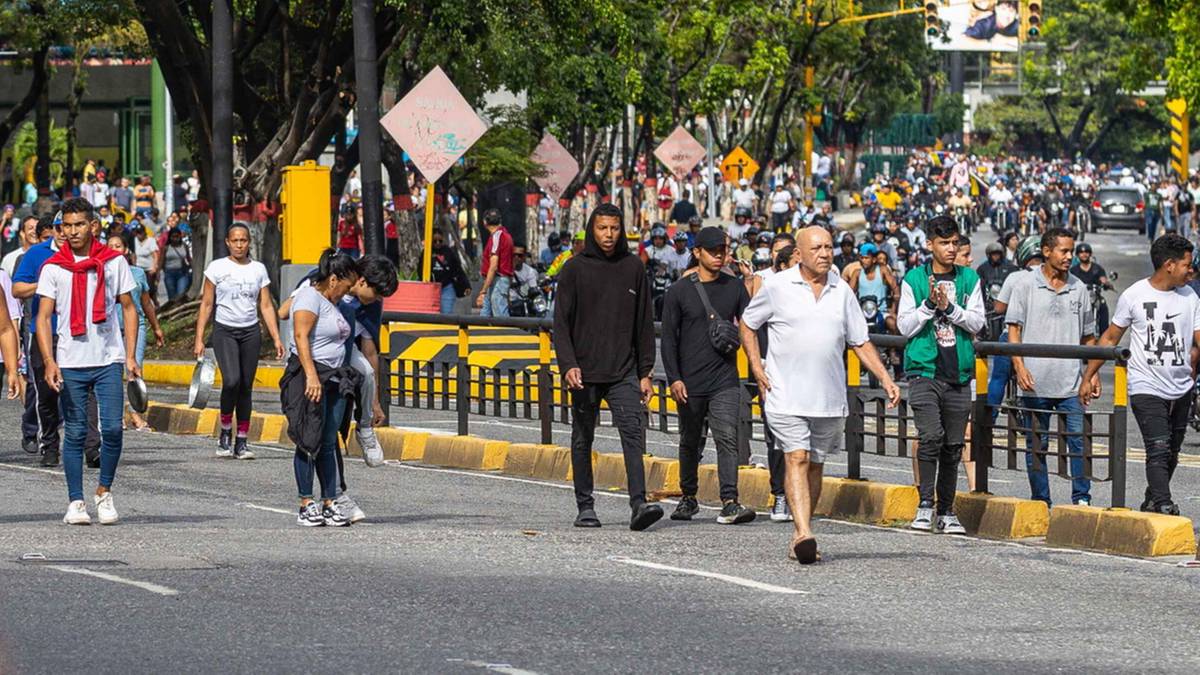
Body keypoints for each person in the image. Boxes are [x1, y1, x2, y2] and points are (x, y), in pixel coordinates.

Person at [741, 226, 900, 563]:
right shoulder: (776, 286)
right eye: (817, 248)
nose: (825, 254)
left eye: (829, 247)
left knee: (815, 464)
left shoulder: (842, 290)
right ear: (798, 253)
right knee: (795, 457)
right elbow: (748, 324)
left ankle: (803, 527)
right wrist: (757, 367)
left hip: (828, 397)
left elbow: (859, 340)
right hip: (784, 392)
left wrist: (886, 378)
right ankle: (802, 532)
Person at [553, 203, 663, 531]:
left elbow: (644, 323)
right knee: (582, 438)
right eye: (602, 228)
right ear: (592, 229)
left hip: (624, 371)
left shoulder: (633, 268)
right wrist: (568, 364)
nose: (609, 235)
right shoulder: (574, 269)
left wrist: (646, 372)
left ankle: (639, 504)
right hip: (585, 373)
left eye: (614, 229)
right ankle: (585, 506)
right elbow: (561, 324)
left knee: (633, 434)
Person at [34, 198, 140, 525]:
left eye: (79, 224)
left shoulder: (114, 262)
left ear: (93, 226)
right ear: (60, 229)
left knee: (112, 429)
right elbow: (43, 318)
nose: (73, 231)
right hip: (70, 360)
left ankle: (104, 492)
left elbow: (129, 308)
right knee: (77, 432)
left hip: (108, 358)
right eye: (67, 226)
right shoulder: (53, 268)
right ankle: (76, 501)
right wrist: (49, 361)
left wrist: (132, 356)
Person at [1081, 234, 1200, 516]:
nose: (1192, 270)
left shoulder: (1191, 296)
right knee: (1157, 446)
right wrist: (1088, 376)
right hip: (1145, 384)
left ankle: (1151, 497)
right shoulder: (1135, 295)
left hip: (1181, 384)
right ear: (1169, 265)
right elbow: (1110, 338)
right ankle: (1163, 504)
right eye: (1187, 264)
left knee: (1172, 451)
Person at [279, 254, 398, 523]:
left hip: (341, 367)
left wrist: (374, 403)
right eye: (376, 293)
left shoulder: (361, 305)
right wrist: (308, 373)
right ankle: (313, 500)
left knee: (331, 436)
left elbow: (369, 350)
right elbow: (290, 319)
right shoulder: (316, 289)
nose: (377, 299)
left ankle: (335, 493)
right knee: (311, 437)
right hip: (312, 368)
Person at [897, 215, 985, 534]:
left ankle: (947, 510)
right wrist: (928, 306)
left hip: (958, 372)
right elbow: (904, 326)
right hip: (924, 370)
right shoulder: (914, 279)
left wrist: (950, 309)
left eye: (953, 243)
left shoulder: (970, 279)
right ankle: (925, 505)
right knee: (930, 436)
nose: (950, 249)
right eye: (943, 243)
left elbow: (977, 323)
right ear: (929, 244)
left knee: (952, 446)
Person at [662, 226, 754, 525]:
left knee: (727, 438)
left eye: (723, 249)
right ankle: (688, 497)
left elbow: (751, 325)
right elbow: (669, 340)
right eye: (713, 250)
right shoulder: (678, 291)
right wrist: (675, 378)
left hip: (724, 378)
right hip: (689, 380)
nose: (719, 255)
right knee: (691, 440)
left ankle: (730, 501)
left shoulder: (735, 287)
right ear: (697, 252)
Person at [1006, 228, 1097, 506]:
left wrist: (1091, 375)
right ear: (1047, 252)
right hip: (1034, 383)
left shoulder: (1078, 288)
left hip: (1070, 384)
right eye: (1064, 251)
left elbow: (1089, 336)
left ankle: (1082, 498)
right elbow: (1013, 330)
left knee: (1079, 443)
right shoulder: (1025, 285)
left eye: (1071, 251)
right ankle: (1040, 501)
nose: (1069, 256)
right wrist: (1019, 367)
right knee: (1036, 447)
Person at [280, 250, 361, 527]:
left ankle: (329, 501)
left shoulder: (336, 304)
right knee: (308, 438)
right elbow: (300, 336)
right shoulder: (309, 297)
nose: (348, 292)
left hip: (335, 378)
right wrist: (312, 377)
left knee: (328, 441)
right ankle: (306, 502)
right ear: (334, 279)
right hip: (309, 375)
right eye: (347, 286)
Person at [193, 224, 283, 458]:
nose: (240, 244)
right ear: (227, 242)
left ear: (249, 242)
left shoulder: (258, 269)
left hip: (250, 332)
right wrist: (199, 338)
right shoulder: (217, 268)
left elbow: (265, 305)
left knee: (245, 386)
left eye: (243, 240)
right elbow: (207, 304)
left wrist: (276, 337)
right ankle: (225, 432)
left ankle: (242, 440)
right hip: (225, 331)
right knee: (231, 381)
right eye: (235, 240)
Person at [106, 233, 165, 430]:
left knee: (134, 369)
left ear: (125, 250)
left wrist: (156, 327)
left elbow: (146, 303)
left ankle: (135, 414)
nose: (115, 249)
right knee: (113, 373)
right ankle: (116, 415)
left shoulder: (138, 273)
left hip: (136, 325)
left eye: (118, 245)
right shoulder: (101, 272)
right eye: (111, 246)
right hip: (110, 327)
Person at [475, 209, 514, 317]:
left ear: (485, 222)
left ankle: (505, 333)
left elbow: (493, 266)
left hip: (497, 280)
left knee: (500, 315)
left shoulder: (497, 236)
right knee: (484, 314)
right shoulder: (505, 235)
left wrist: (483, 290)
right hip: (495, 280)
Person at [1070, 242, 1113, 332]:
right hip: (1079, 297)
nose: (1084, 254)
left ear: (1090, 254)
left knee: (1103, 305)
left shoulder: (1097, 268)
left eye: (1086, 252)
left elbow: (1103, 279)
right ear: (1077, 255)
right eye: (1081, 253)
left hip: (1094, 296)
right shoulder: (1074, 270)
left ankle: (1103, 333)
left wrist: (1106, 283)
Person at [427, 230, 470, 314]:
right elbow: (420, 269)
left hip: (447, 287)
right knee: (432, 314)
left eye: (440, 241)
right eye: (435, 241)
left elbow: (458, 269)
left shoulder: (448, 251)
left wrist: (466, 285)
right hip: (431, 287)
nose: (438, 243)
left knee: (447, 312)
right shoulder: (427, 252)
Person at [159, 227, 192, 301]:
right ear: (170, 237)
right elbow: (161, 261)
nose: (175, 239)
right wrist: (159, 273)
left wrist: (191, 267)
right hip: (169, 273)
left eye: (177, 236)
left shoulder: (184, 246)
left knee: (181, 294)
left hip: (182, 273)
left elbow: (189, 259)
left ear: (180, 236)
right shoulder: (166, 248)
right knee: (172, 296)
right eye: (173, 237)